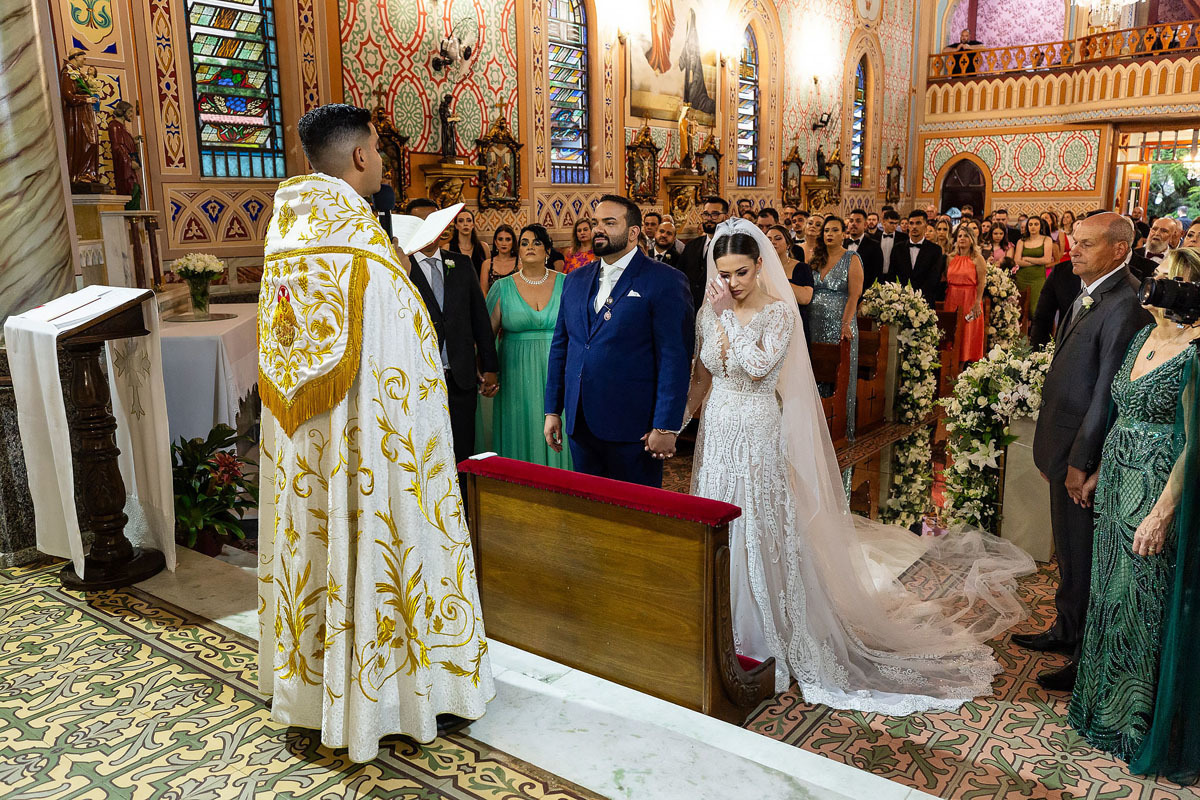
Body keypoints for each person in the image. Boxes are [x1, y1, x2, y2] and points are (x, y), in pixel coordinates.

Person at [683, 218, 1035, 711]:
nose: (732, 283)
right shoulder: (710, 311)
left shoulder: (778, 312)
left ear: (760, 266)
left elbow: (760, 369)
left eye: (741, 272)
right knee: (719, 518)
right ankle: (721, 623)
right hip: (720, 428)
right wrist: (677, 420)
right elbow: (706, 372)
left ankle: (765, 632)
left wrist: (726, 320)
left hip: (758, 427)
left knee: (758, 521)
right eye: (724, 274)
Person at [257, 104, 493, 761]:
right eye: (378, 152)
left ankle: (316, 696)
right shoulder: (366, 253)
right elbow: (405, 371)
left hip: (308, 451)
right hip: (373, 460)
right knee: (384, 549)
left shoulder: (289, 236)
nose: (382, 163)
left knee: (319, 551)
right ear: (360, 156)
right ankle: (396, 697)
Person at [1069, 249, 1200, 768]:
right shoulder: (1143, 335)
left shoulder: (1196, 350)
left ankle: (1134, 723)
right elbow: (1122, 410)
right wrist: (1101, 468)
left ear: (1188, 290)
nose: (1153, 283)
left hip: (1156, 489)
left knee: (1144, 602)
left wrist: (1162, 512)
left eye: (1166, 278)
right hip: (1118, 483)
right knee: (1108, 594)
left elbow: (1196, 443)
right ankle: (1098, 709)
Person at [1020, 213, 1154, 690]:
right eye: (1074, 241)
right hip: (1063, 443)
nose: (1073, 250)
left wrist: (1081, 461)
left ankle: (1085, 656)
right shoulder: (1089, 291)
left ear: (1118, 250)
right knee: (1069, 552)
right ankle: (1066, 627)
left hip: (1083, 451)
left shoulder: (1125, 303)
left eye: (1086, 244)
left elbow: (1106, 392)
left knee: (1085, 554)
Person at [544, 195, 694, 487]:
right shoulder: (574, 280)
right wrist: (553, 409)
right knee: (588, 506)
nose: (598, 229)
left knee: (635, 510)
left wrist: (666, 425)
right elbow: (561, 347)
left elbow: (674, 358)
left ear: (633, 232)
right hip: (580, 422)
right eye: (596, 222)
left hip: (634, 426)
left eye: (610, 223)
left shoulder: (665, 280)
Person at [405, 198, 500, 466]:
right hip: (419, 378)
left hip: (460, 376)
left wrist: (489, 366)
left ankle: (463, 494)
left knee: (462, 450)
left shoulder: (461, 264)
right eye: (421, 223)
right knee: (425, 452)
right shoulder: (400, 268)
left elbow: (479, 318)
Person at [486, 224, 571, 469]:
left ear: (548, 250)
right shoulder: (502, 287)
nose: (530, 247)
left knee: (561, 428)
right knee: (520, 428)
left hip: (559, 370)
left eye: (536, 242)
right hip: (515, 373)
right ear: (518, 251)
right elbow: (487, 337)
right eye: (524, 243)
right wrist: (488, 371)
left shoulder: (567, 284)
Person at [808, 216, 862, 436]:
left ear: (843, 234)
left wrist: (846, 323)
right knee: (817, 370)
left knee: (839, 373)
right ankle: (815, 426)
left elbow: (854, 295)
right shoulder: (816, 258)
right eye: (826, 230)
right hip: (814, 323)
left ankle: (840, 427)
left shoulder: (852, 258)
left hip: (840, 322)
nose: (829, 234)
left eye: (834, 230)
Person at [677, 197, 729, 310]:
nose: (709, 219)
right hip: (691, 307)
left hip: (719, 307)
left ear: (725, 217)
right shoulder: (691, 246)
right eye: (706, 214)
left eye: (715, 214)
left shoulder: (730, 247)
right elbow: (680, 276)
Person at [945, 226, 987, 362]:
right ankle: (950, 361)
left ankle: (965, 362)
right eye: (960, 236)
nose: (962, 238)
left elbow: (981, 282)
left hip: (970, 298)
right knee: (952, 329)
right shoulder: (950, 258)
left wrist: (977, 302)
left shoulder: (978, 259)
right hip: (952, 297)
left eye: (966, 236)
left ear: (972, 240)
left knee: (967, 330)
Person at [890, 209, 947, 302]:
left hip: (925, 300)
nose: (914, 227)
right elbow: (892, 275)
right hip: (900, 300)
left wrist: (917, 298)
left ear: (925, 226)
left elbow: (934, 277)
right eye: (911, 223)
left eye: (918, 223)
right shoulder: (898, 248)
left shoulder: (935, 250)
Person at [768, 223, 812, 339]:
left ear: (788, 244)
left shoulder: (802, 268)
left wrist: (778, 277)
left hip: (796, 323)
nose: (773, 242)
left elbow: (805, 298)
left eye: (778, 238)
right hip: (770, 324)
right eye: (769, 239)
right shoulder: (760, 268)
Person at [1014, 215, 1055, 316]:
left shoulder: (1047, 239)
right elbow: (1017, 261)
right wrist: (1037, 261)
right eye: (1030, 224)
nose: (1033, 227)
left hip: (1038, 278)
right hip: (1022, 277)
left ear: (1040, 226)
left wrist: (1027, 259)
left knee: (1035, 309)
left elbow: (1046, 259)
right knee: (1020, 309)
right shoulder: (1021, 241)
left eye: (1036, 224)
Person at [844, 208, 885, 289]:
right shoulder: (842, 244)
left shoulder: (874, 245)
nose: (853, 224)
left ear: (865, 225)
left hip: (865, 290)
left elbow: (877, 274)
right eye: (851, 221)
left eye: (858, 221)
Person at [479, 224, 518, 296]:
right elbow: (483, 292)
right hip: (491, 302)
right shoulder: (487, 264)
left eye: (508, 239)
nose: (504, 243)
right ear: (495, 242)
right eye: (500, 239)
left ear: (513, 242)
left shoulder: (520, 264)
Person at [448, 207, 488, 272]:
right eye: (461, 221)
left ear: (473, 225)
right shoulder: (447, 247)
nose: (465, 224)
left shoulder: (484, 247)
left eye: (469, 220)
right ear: (456, 226)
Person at [877, 209, 901, 279]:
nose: (894, 226)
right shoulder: (875, 237)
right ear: (883, 222)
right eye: (891, 223)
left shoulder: (903, 238)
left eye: (896, 223)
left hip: (896, 276)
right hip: (878, 276)